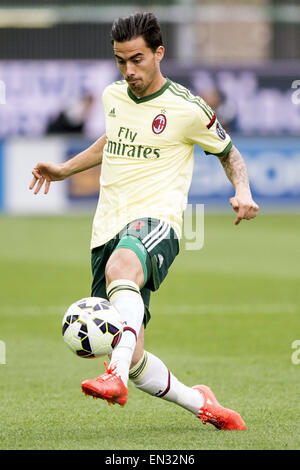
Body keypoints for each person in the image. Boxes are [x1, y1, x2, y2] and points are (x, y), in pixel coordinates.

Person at [29, 12, 258, 431]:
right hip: (106, 228)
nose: (129, 70)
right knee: (132, 354)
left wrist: (242, 191)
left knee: (123, 272)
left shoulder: (187, 107)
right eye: (121, 61)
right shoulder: (113, 96)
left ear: (159, 53)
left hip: (157, 221)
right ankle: (202, 402)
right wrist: (64, 169)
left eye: (137, 59)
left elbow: (229, 152)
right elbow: (112, 138)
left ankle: (113, 376)